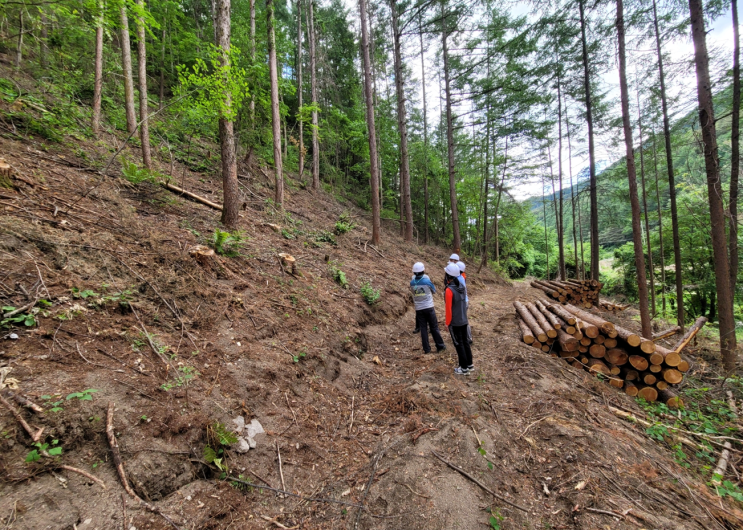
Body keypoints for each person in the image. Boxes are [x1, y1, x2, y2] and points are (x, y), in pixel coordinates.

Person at [444, 263, 473, 375]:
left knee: (459, 343)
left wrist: (447, 323)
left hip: (455, 321)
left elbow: (448, 309)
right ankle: (469, 364)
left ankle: (463, 368)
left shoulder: (449, 290)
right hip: (464, 319)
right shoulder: (462, 286)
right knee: (465, 342)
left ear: (448, 275)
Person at [410, 263, 446, 353]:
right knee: (434, 327)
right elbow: (434, 291)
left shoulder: (412, 283)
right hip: (429, 307)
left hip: (419, 309)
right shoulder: (426, 281)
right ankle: (440, 346)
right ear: (423, 271)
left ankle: (426, 349)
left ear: (414, 272)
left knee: (423, 328)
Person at [457, 261, 473, 345]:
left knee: (464, 320)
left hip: (463, 302)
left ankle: (468, 338)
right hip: (464, 301)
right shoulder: (460, 277)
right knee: (463, 320)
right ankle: (465, 337)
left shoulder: (459, 279)